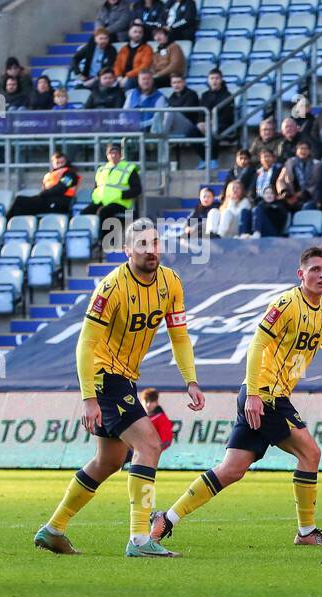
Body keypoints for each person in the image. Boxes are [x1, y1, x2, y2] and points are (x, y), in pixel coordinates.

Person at [153, 247, 322, 549]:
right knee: (310, 453)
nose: (321, 275)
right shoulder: (286, 303)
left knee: (231, 469)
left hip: (265, 397)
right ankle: (307, 531)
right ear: (301, 274)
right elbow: (257, 343)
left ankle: (166, 519)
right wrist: (254, 394)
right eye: (314, 269)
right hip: (265, 396)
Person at [34, 221, 204, 557]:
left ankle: (53, 529)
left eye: (154, 242)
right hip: (103, 376)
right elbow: (86, 344)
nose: (150, 249)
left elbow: (179, 336)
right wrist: (88, 398)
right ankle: (140, 539)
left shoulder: (171, 283)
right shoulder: (112, 287)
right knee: (150, 444)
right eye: (141, 243)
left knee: (108, 460)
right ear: (128, 250)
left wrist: (191, 379)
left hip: (125, 377)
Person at [81, 143, 141, 235]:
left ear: (121, 155)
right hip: (101, 201)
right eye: (111, 153)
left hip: (120, 203)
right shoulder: (101, 169)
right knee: (84, 213)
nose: (113, 155)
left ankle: (105, 241)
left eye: (116, 153)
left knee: (103, 212)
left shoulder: (129, 168)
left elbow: (137, 189)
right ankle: (90, 239)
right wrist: (94, 195)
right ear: (107, 155)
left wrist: (121, 195)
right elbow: (97, 187)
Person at [6, 152, 80, 219]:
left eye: (62, 162)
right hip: (48, 200)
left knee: (20, 201)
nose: (60, 164)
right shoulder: (50, 175)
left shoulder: (70, 174)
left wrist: (42, 194)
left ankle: (6, 222)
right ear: (53, 163)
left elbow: (61, 188)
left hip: (61, 202)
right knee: (19, 205)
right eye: (57, 162)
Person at [123, 388, 176, 467]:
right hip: (130, 449)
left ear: (156, 403)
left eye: (151, 402)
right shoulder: (135, 416)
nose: (148, 405)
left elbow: (166, 439)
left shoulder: (161, 418)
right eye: (146, 401)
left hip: (146, 452)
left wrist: (153, 449)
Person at [113, 21, 154, 89]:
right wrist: (119, 77)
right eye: (135, 32)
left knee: (130, 83)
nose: (137, 34)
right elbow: (117, 64)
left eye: (140, 32)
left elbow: (144, 66)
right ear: (129, 32)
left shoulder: (147, 48)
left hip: (136, 77)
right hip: (121, 77)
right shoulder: (124, 49)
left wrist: (128, 76)